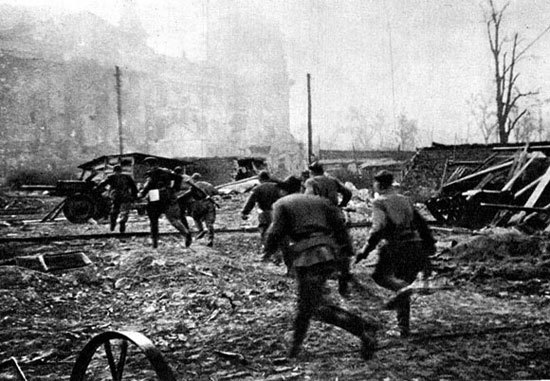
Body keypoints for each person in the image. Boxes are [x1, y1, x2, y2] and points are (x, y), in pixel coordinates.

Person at [264, 176, 378, 360]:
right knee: (309, 305)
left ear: (283, 190)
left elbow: (275, 231)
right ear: (300, 187)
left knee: (310, 307)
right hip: (328, 254)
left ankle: (363, 329)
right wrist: (346, 252)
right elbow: (340, 229)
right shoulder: (321, 202)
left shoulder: (281, 203)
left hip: (309, 257)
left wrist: (267, 251)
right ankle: (294, 350)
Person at [355, 170, 435, 337]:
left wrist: (364, 251)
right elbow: (421, 223)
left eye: (375, 183)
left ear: (379, 184)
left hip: (395, 246)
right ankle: (403, 329)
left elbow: (377, 229)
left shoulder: (380, 202)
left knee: (380, 277)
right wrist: (428, 245)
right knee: (403, 282)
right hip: (414, 244)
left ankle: (404, 293)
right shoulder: (404, 199)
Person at [137, 157, 192, 248]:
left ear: (149, 165)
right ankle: (186, 233)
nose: (149, 167)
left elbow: (148, 186)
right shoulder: (166, 171)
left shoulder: (151, 174)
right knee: (173, 219)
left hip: (155, 196)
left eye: (149, 165)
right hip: (167, 196)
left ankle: (155, 244)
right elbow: (178, 177)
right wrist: (174, 189)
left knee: (154, 221)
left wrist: (141, 194)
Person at [241, 171, 282, 252]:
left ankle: (267, 247)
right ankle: (278, 247)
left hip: (264, 212)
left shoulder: (257, 189)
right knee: (278, 229)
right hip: (277, 211)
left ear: (260, 179)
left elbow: (251, 202)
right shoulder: (277, 187)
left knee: (264, 229)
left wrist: (245, 212)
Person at [178, 172, 218, 247]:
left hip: (199, 204)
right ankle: (210, 239)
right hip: (209, 203)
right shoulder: (208, 184)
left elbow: (186, 195)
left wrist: (177, 199)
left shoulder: (193, 187)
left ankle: (201, 230)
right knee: (209, 223)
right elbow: (216, 192)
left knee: (196, 217)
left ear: (193, 178)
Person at [96, 164, 138, 233]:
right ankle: (122, 226)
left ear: (113, 171)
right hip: (125, 196)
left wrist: (103, 192)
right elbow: (134, 187)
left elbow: (101, 185)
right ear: (121, 171)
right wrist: (134, 197)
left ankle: (112, 226)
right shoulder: (127, 177)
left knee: (114, 212)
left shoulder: (111, 177)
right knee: (124, 212)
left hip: (115, 197)